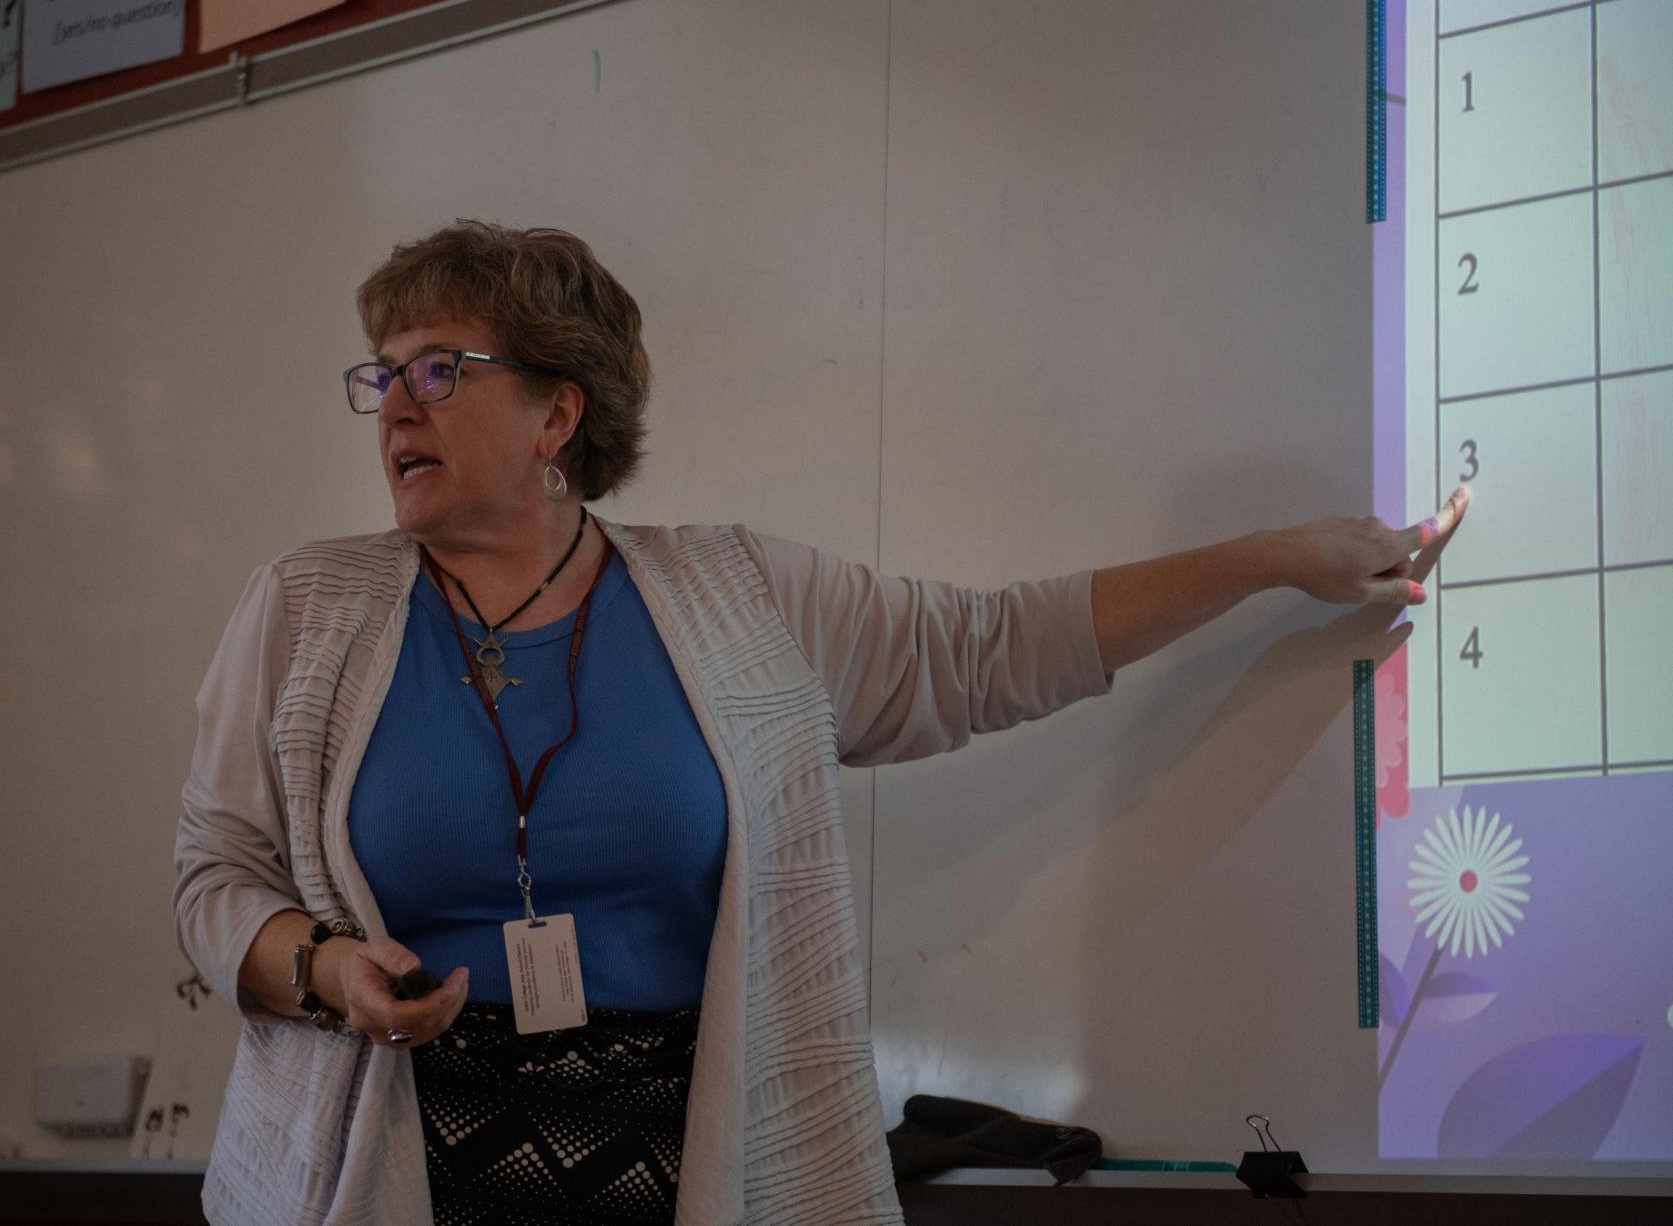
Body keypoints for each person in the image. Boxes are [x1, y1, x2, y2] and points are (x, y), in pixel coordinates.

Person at [172, 221, 1468, 1226]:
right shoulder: (304, 610)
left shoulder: (737, 598)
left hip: (688, 1167)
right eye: (382, 376)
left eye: (439, 370)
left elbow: (988, 647)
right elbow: (213, 878)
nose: (395, 403)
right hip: (383, 1165)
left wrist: (1266, 557)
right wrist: (317, 966)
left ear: (558, 414)